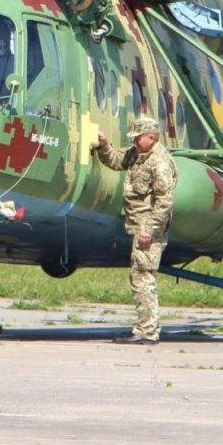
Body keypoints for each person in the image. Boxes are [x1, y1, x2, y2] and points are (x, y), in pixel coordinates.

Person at [92, 115, 177, 344]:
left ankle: (147, 332)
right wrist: (103, 144)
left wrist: (149, 228)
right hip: (139, 226)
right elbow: (117, 161)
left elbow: (164, 201)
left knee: (143, 277)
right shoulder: (138, 154)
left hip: (149, 229)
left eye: (138, 138)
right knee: (139, 276)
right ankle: (144, 328)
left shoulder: (159, 162)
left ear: (151, 137)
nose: (135, 142)